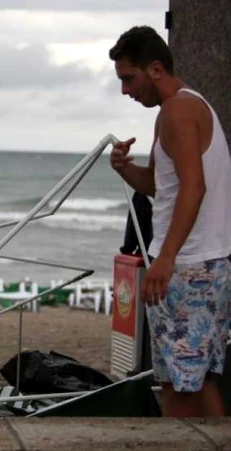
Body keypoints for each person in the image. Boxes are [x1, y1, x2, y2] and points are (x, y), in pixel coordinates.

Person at [109, 26, 231, 416]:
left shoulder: (179, 110)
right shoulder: (183, 108)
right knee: (191, 383)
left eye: (129, 78)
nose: (126, 91)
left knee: (180, 388)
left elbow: (195, 188)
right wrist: (124, 169)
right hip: (198, 266)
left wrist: (166, 258)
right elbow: (164, 188)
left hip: (189, 268)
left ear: (156, 68)